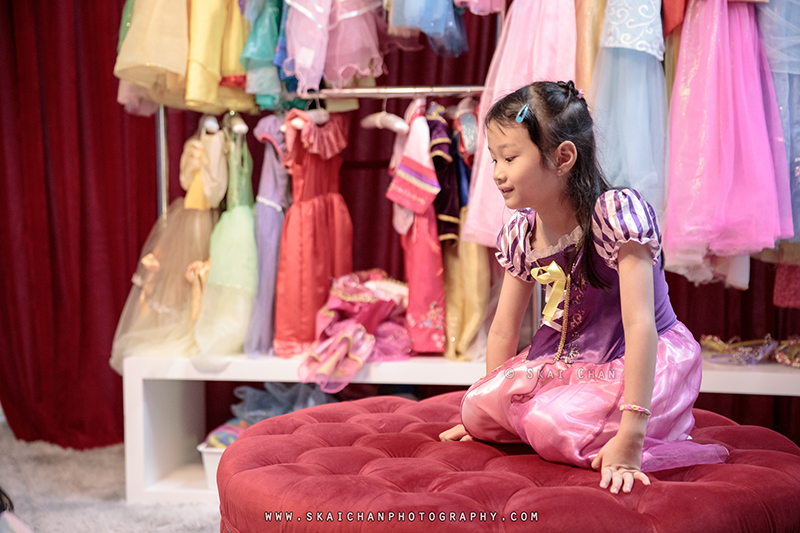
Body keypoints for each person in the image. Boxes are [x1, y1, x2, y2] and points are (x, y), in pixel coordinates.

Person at [440, 81, 728, 495]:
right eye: (493, 159)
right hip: (570, 361)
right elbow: (504, 330)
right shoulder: (523, 231)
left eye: (510, 157)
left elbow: (640, 326)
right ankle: (547, 416)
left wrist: (632, 432)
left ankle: (643, 423)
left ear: (563, 158)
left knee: (551, 424)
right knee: (475, 407)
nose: (497, 173)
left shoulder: (614, 215)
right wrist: (496, 408)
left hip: (638, 357)